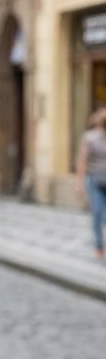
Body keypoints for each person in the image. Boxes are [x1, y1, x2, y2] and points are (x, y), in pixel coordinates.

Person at [76, 107, 106, 260]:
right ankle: (99, 247)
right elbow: (82, 161)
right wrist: (79, 183)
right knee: (97, 213)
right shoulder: (90, 138)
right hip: (95, 181)